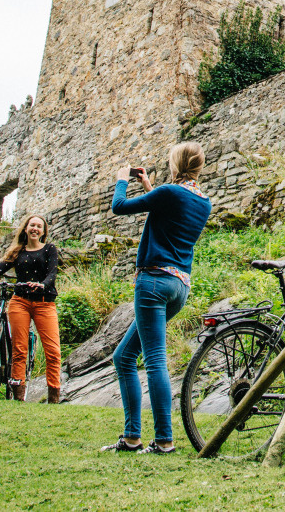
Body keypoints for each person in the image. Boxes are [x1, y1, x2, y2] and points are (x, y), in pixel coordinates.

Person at [103, 142, 212, 454]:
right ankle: (132, 437)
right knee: (124, 357)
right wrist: (149, 186)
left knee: (154, 360)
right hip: (179, 287)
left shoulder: (171, 193)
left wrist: (122, 178)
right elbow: (167, 210)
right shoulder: (202, 200)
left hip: (153, 283)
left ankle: (164, 440)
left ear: (175, 164)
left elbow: (120, 207)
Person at [0, 214, 63, 403]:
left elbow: (52, 273)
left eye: (39, 226)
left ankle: (54, 396)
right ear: (25, 228)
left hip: (44, 302)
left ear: (43, 231)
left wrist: (43, 284)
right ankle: (18, 395)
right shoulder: (17, 251)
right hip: (20, 302)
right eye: (32, 225)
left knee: (53, 350)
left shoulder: (49, 249)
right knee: (19, 349)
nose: (35, 229)